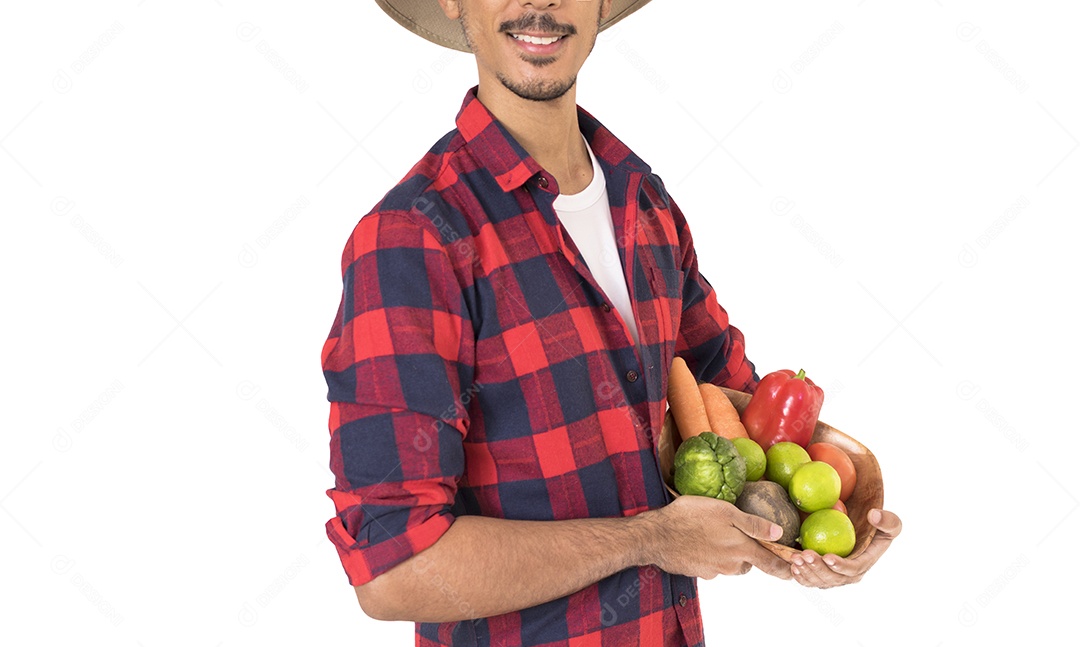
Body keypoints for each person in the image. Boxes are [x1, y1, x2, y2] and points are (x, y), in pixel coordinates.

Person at [321, 1, 902, 644]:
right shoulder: (414, 240)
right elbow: (395, 571)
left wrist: (827, 521)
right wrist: (648, 539)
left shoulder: (642, 200)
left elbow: (738, 417)